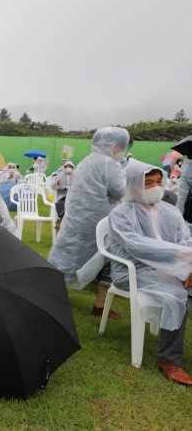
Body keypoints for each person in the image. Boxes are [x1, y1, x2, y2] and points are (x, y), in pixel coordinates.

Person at [107, 160, 192, 386]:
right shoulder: (121, 214)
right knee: (175, 297)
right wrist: (186, 258)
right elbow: (137, 246)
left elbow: (185, 239)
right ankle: (168, 360)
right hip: (134, 271)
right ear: (134, 186)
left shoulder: (170, 211)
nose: (156, 187)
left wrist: (189, 265)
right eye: (148, 183)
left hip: (169, 269)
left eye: (158, 181)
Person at [48, 127, 130, 318]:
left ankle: (49, 293)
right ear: (116, 145)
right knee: (106, 257)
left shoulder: (87, 160)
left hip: (77, 218)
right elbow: (119, 191)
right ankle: (100, 306)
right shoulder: (109, 164)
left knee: (66, 255)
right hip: (97, 220)